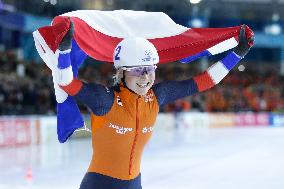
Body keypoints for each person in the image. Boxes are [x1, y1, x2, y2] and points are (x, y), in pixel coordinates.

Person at [49, 19, 253, 189]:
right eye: (137, 70)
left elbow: (206, 81)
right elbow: (66, 82)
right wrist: (65, 50)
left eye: (150, 69)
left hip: (135, 183)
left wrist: (238, 54)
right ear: (122, 73)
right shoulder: (105, 99)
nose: (145, 77)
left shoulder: (158, 96)